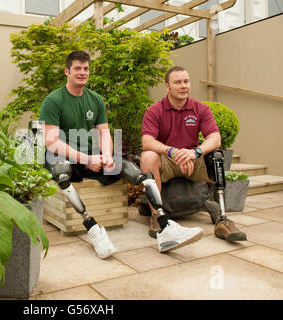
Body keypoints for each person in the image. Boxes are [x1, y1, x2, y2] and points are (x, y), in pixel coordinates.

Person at [39, 51, 206, 258]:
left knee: (135, 172)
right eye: (77, 69)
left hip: (92, 154)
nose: (83, 72)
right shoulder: (53, 100)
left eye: (86, 69)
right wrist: (86, 159)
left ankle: (165, 226)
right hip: (63, 156)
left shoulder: (96, 100)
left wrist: (107, 155)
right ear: (67, 71)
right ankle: (92, 228)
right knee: (61, 172)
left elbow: (104, 132)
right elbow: (51, 141)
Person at [141, 66, 247, 243]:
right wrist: (171, 151)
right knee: (147, 156)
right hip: (168, 160)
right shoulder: (155, 110)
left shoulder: (200, 109)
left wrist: (195, 152)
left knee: (217, 156)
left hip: (192, 159)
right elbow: (147, 141)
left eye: (186, 81)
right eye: (178, 82)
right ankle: (156, 215)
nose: (183, 86)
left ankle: (222, 219)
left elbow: (215, 138)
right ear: (167, 86)